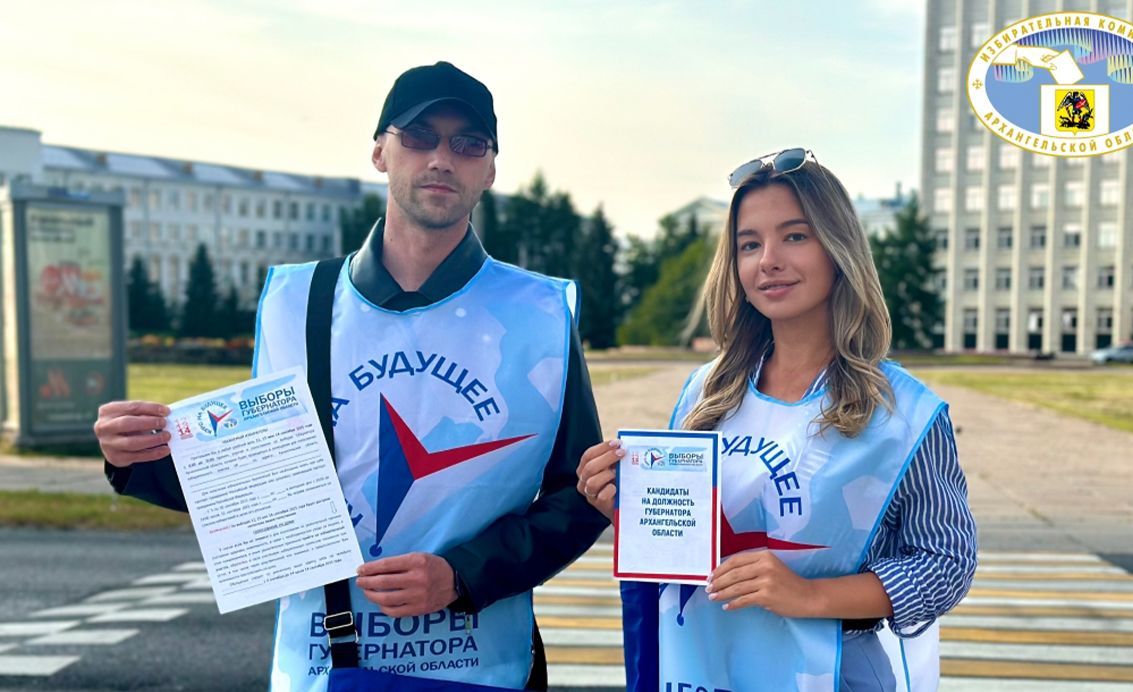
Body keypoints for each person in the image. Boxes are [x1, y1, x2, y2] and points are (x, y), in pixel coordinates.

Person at [93, 61, 610, 691]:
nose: (441, 159)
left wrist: (463, 574)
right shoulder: (296, 303)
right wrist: (138, 456)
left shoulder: (539, 312)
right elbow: (255, 484)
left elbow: (583, 496)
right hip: (323, 665)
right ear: (379, 152)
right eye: (418, 136)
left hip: (482, 667)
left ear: (491, 169)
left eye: (468, 143)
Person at [576, 149, 977, 691]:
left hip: (833, 675)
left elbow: (945, 563)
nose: (768, 260)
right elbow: (684, 548)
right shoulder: (705, 391)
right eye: (749, 244)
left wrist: (809, 596)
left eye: (795, 236)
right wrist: (629, 508)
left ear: (838, 248)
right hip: (704, 670)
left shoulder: (905, 412)